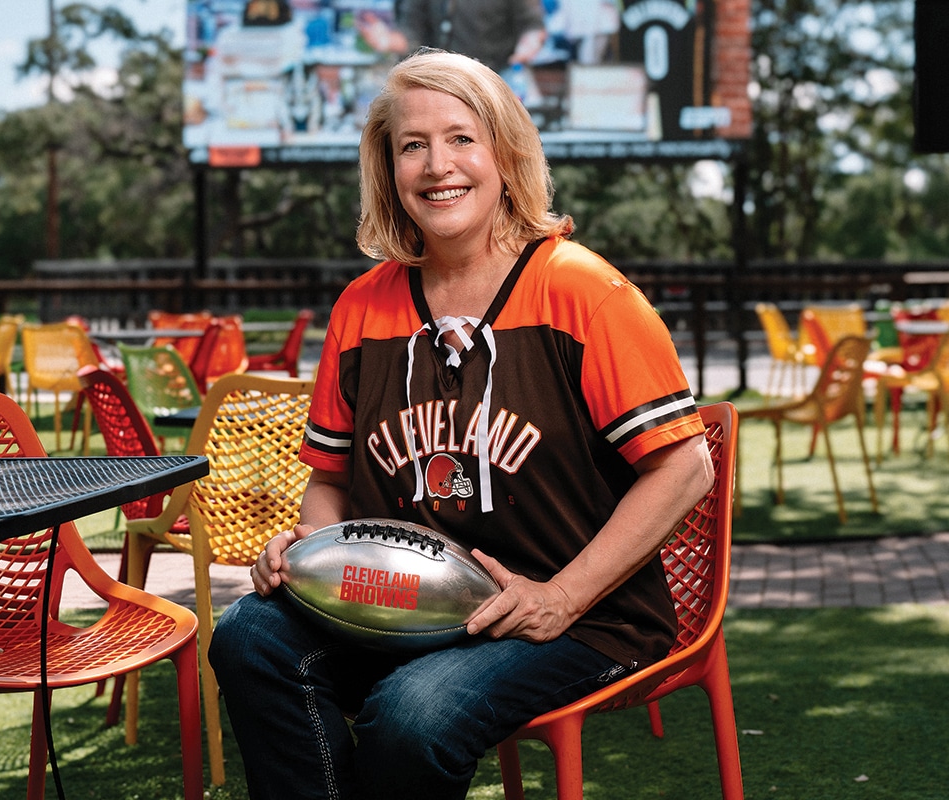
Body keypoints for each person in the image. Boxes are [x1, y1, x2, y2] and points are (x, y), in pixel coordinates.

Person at [208, 49, 713, 800]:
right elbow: (331, 480)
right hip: (404, 601)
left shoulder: (584, 291)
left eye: (461, 138)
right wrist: (308, 555)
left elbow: (686, 468)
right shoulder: (362, 308)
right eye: (413, 145)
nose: (437, 165)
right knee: (248, 636)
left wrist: (563, 596)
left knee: (412, 713)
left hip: (575, 617)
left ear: (505, 154)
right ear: (389, 170)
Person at [395, 0, 548, 75]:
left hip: (496, 75)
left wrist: (526, 48)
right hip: (441, 79)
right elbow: (411, 32)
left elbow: (532, 26)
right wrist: (390, 41)